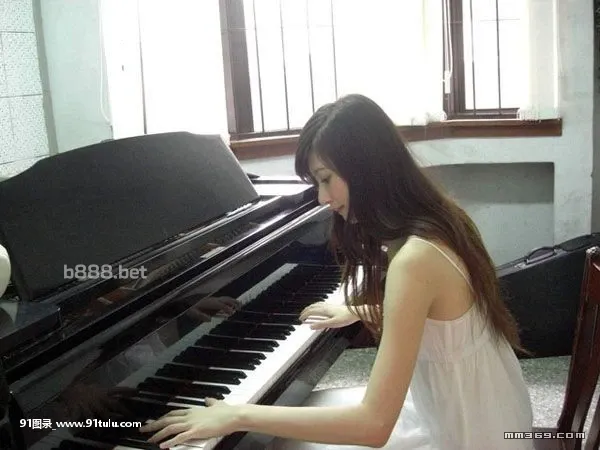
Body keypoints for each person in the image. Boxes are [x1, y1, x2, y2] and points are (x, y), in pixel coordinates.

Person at [140, 94, 534, 449]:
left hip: (466, 436)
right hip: (482, 414)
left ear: (367, 167)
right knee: (295, 426)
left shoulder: (416, 260)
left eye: (326, 179)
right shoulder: (439, 218)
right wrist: (364, 310)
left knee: (282, 441)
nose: (323, 198)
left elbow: (373, 426)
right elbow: (444, 321)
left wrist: (237, 414)